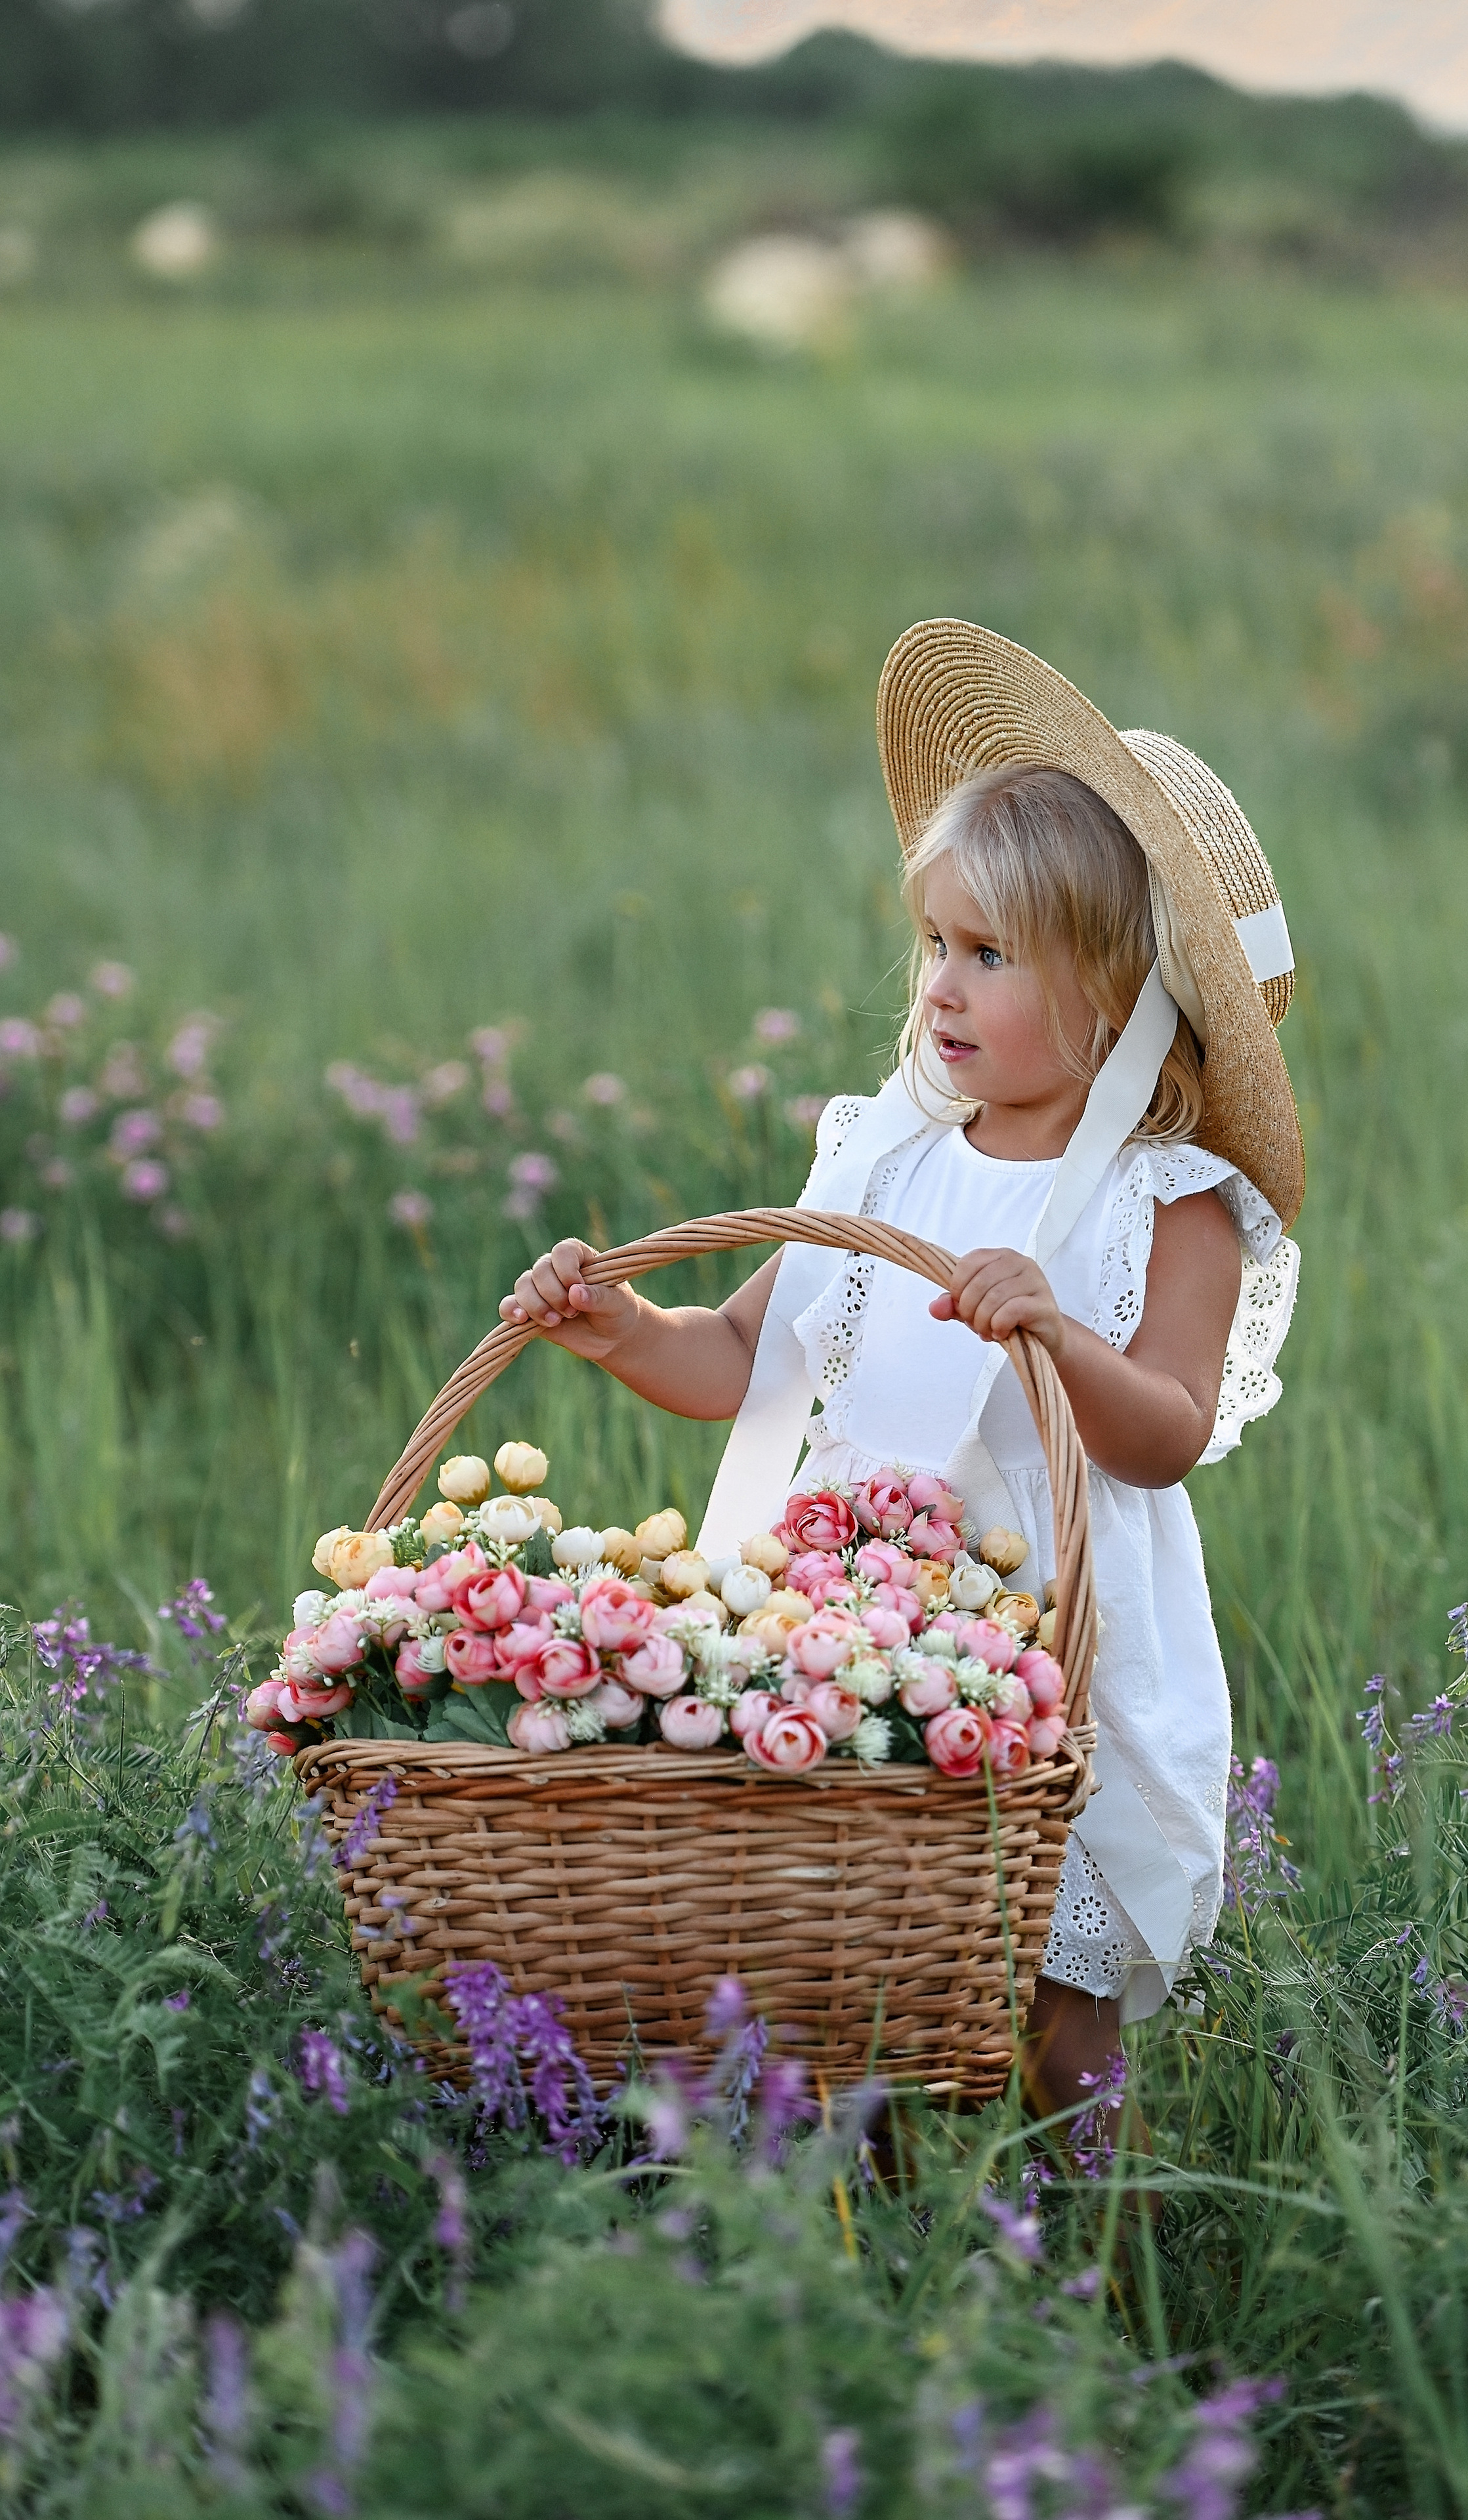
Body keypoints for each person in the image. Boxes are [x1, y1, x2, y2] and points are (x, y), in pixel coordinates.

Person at [499, 620, 1303, 2124]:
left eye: (989, 956)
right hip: (857, 1634)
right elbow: (744, 1357)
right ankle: (884, 2256)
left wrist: (1057, 1333)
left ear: (1115, 997)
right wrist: (619, 1333)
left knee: (1052, 2021)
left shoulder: (1167, 1199)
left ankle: (1089, 2281)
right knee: (861, 1989)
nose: (938, 985)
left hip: (1063, 1642)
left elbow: (1166, 1438)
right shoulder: (886, 1151)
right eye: (933, 941)